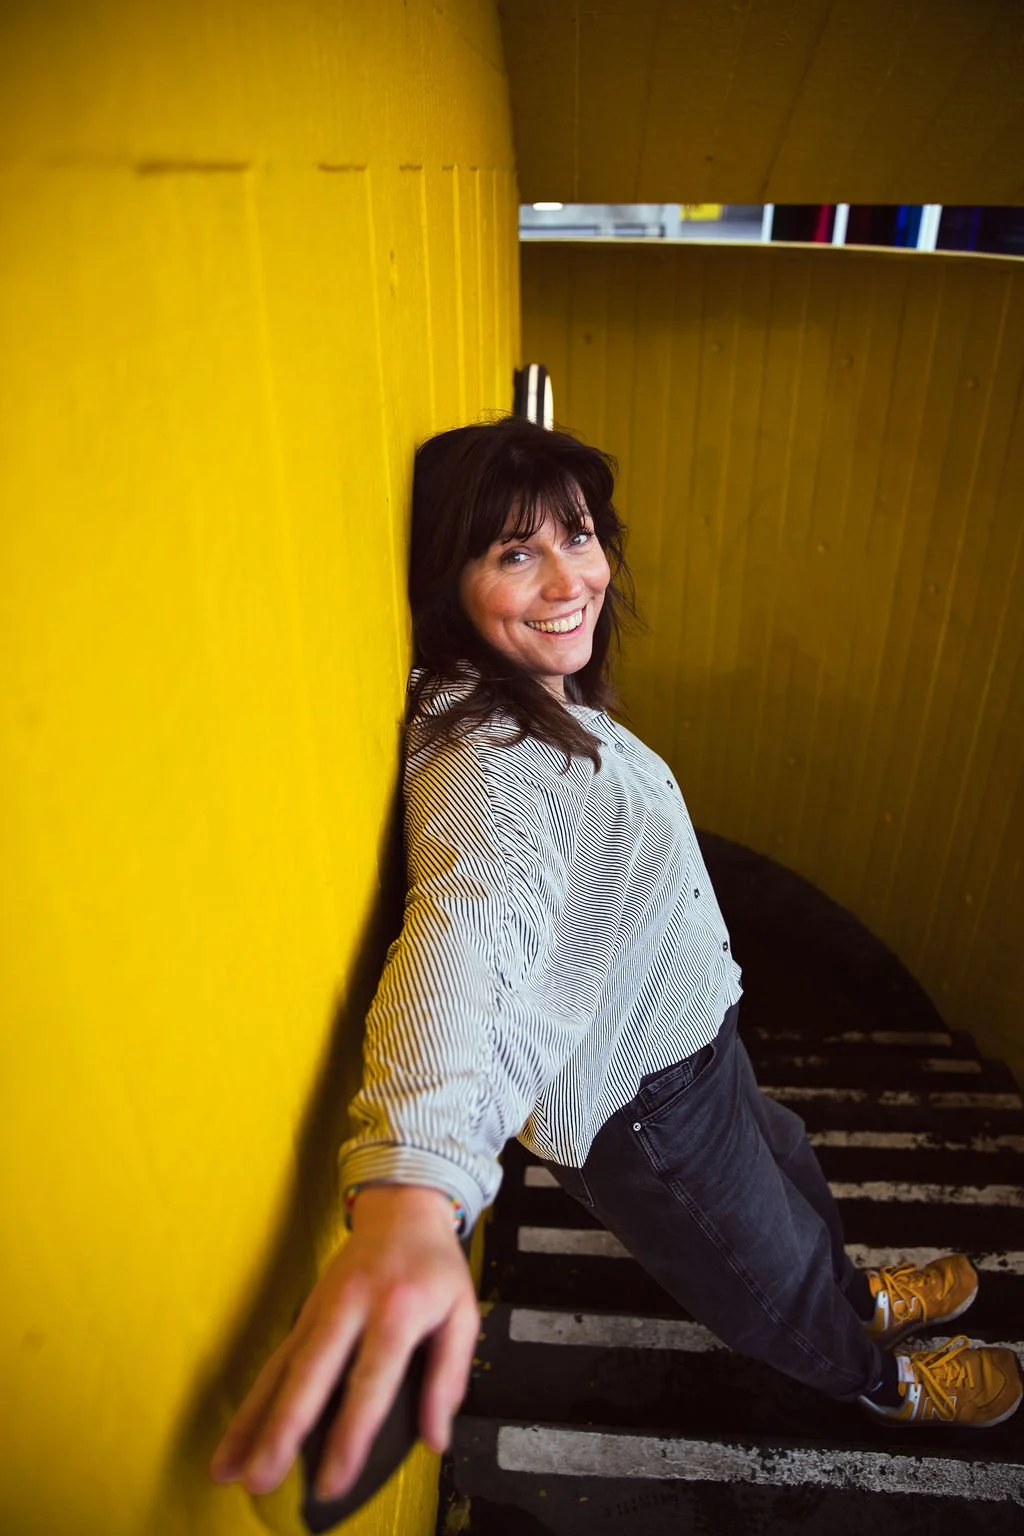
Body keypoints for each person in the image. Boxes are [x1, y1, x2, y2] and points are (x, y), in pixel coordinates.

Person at [211, 416, 1022, 1506]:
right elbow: (469, 938)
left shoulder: (545, 692)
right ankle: (872, 1374)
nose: (568, 579)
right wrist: (414, 1190)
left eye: (578, 536)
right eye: (514, 554)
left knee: (797, 1188)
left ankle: (851, 1296)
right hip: (647, 1118)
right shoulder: (483, 766)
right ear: (445, 582)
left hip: (698, 1046)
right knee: (765, 1282)